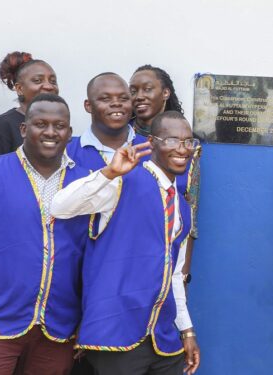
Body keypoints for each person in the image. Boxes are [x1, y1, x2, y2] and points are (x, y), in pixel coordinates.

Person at [0, 94, 90, 374]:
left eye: (59, 126)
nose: (50, 132)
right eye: (40, 124)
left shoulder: (85, 182)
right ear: (24, 129)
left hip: (58, 326)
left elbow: (93, 256)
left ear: (69, 133)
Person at [51, 111, 201, 375]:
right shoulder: (123, 180)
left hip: (162, 338)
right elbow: (60, 207)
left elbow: (174, 273)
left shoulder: (180, 202)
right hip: (116, 333)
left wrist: (186, 330)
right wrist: (108, 172)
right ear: (152, 142)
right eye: (172, 140)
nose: (182, 149)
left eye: (188, 142)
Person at [129, 64, 201, 288]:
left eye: (147, 89)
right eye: (133, 91)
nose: (139, 96)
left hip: (168, 256)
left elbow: (191, 211)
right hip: (126, 252)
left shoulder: (189, 147)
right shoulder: (122, 139)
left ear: (165, 93)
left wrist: (183, 275)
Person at [0, 51, 58, 158]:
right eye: (38, 80)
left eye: (53, 81)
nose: (49, 86)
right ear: (19, 88)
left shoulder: (59, 124)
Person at [66, 72, 135, 171]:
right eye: (106, 99)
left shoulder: (151, 148)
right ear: (88, 106)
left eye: (124, 98)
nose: (116, 103)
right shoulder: (67, 151)